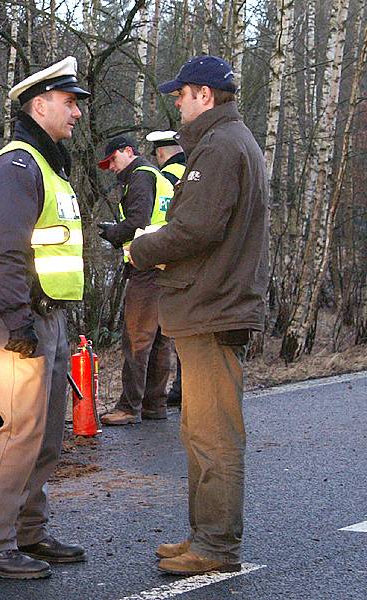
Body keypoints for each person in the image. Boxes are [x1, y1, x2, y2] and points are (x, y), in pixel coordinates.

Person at [129, 55, 269, 575]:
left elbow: (195, 229)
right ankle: (204, 537)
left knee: (212, 435)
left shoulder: (220, 146)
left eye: (182, 95)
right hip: (211, 303)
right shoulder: (227, 143)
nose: (177, 103)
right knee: (200, 431)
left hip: (213, 306)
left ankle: (215, 546)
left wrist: (141, 248)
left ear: (205, 97)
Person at [0, 56, 89, 580]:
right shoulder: (18, 166)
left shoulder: (45, 164)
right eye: (70, 102)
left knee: (46, 435)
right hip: (21, 318)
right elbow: (5, 252)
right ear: (40, 105)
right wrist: (17, 323)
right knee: (21, 430)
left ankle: (29, 534)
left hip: (48, 315)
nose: (77, 112)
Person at [96, 136, 174, 425]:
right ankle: (155, 405)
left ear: (128, 152)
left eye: (113, 160)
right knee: (159, 341)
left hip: (147, 266)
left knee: (137, 340)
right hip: (166, 266)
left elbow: (138, 222)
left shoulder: (139, 177)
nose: (111, 168)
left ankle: (129, 408)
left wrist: (112, 233)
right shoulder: (156, 176)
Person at [145, 130, 187, 407]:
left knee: (164, 334)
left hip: (164, 265)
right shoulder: (196, 171)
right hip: (192, 264)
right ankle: (185, 388)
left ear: (160, 153)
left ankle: (169, 393)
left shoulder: (165, 179)